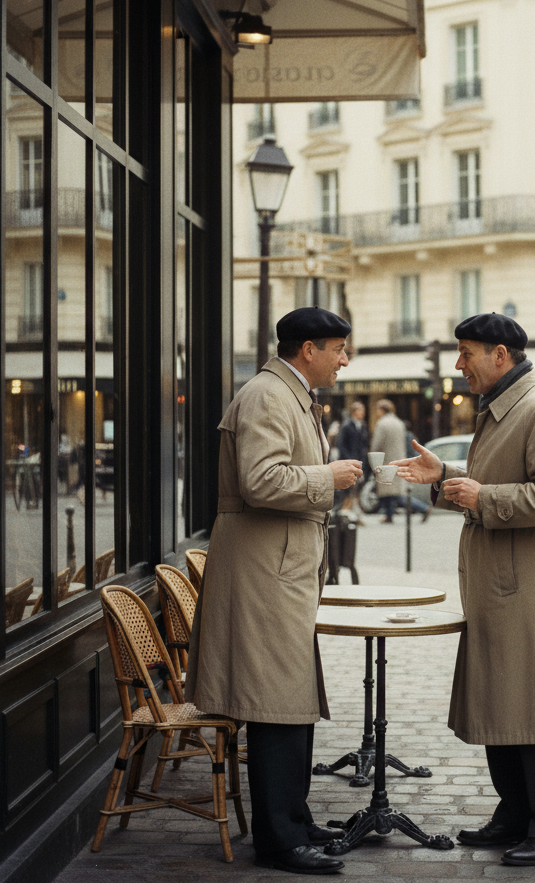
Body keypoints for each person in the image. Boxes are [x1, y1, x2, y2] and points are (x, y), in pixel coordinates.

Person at [394, 313, 535, 868]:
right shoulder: (502, 407)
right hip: (502, 580)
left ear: (499, 354)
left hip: (530, 582)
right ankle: (515, 814)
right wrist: (445, 475)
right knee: (505, 697)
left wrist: (482, 496)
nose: (459, 365)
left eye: (466, 353)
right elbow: (495, 476)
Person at [185, 307, 364, 876]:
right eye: (339, 348)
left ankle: (293, 817)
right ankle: (280, 840)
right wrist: (328, 478)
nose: (345, 358)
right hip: (266, 570)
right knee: (275, 703)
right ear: (307, 349)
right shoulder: (267, 395)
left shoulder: (290, 393)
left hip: (278, 567)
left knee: (290, 699)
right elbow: (262, 481)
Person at [370, 399, 406, 523]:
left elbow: (377, 444)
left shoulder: (382, 424)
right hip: (398, 459)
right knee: (393, 492)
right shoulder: (399, 422)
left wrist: (373, 458)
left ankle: (422, 508)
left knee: (390, 492)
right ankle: (389, 515)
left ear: (382, 410)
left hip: (386, 460)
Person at [335, 401, 369, 514]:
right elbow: (341, 444)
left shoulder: (363, 425)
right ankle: (345, 512)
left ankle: (354, 512)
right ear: (354, 412)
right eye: (360, 411)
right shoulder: (346, 425)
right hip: (349, 460)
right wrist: (348, 459)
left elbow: (364, 444)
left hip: (360, 461)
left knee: (357, 488)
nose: (363, 413)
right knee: (348, 489)